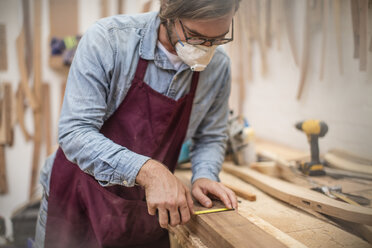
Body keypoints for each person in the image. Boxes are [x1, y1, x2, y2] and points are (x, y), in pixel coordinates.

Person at [35, 0, 240, 247]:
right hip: (78, 199)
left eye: (218, 39)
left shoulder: (218, 66)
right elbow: (75, 134)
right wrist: (149, 171)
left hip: (144, 211)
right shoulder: (108, 41)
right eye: (195, 36)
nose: (207, 49)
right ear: (167, 8)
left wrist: (205, 174)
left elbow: (210, 136)